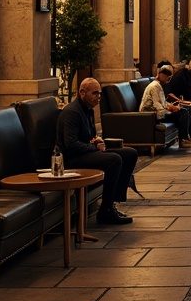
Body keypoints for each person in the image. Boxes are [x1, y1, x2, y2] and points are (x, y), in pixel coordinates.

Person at [57, 77, 139, 225]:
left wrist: (97, 141)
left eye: (100, 93)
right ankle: (106, 211)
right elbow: (71, 145)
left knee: (130, 153)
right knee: (114, 160)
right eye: (95, 93)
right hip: (72, 159)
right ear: (82, 93)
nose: (99, 97)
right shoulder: (72, 113)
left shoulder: (87, 110)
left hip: (86, 153)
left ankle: (114, 201)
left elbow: (89, 137)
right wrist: (94, 147)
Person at [139, 62, 191, 147]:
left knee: (185, 110)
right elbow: (158, 107)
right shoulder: (155, 86)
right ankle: (183, 140)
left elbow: (163, 102)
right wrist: (172, 109)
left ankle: (187, 138)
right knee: (183, 113)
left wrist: (174, 107)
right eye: (167, 77)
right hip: (151, 114)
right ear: (162, 75)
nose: (168, 80)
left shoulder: (158, 85)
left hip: (156, 112)